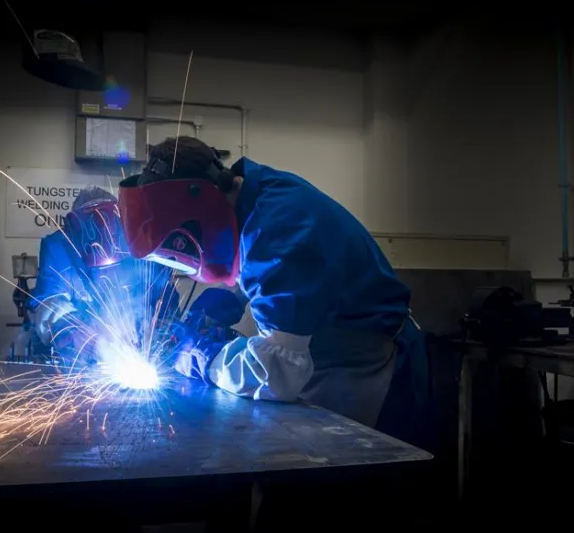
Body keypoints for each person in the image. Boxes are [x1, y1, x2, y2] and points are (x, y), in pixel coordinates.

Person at [117, 136, 428, 440]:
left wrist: (206, 357)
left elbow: (279, 372)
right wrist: (227, 297)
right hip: (331, 354)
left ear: (200, 206)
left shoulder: (277, 229)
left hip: (369, 367)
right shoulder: (254, 191)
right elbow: (270, 269)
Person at [27, 186, 179, 362]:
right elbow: (50, 301)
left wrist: (162, 329)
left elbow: (165, 298)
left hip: (140, 348)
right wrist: (75, 329)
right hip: (83, 356)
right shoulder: (59, 247)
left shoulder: (140, 242)